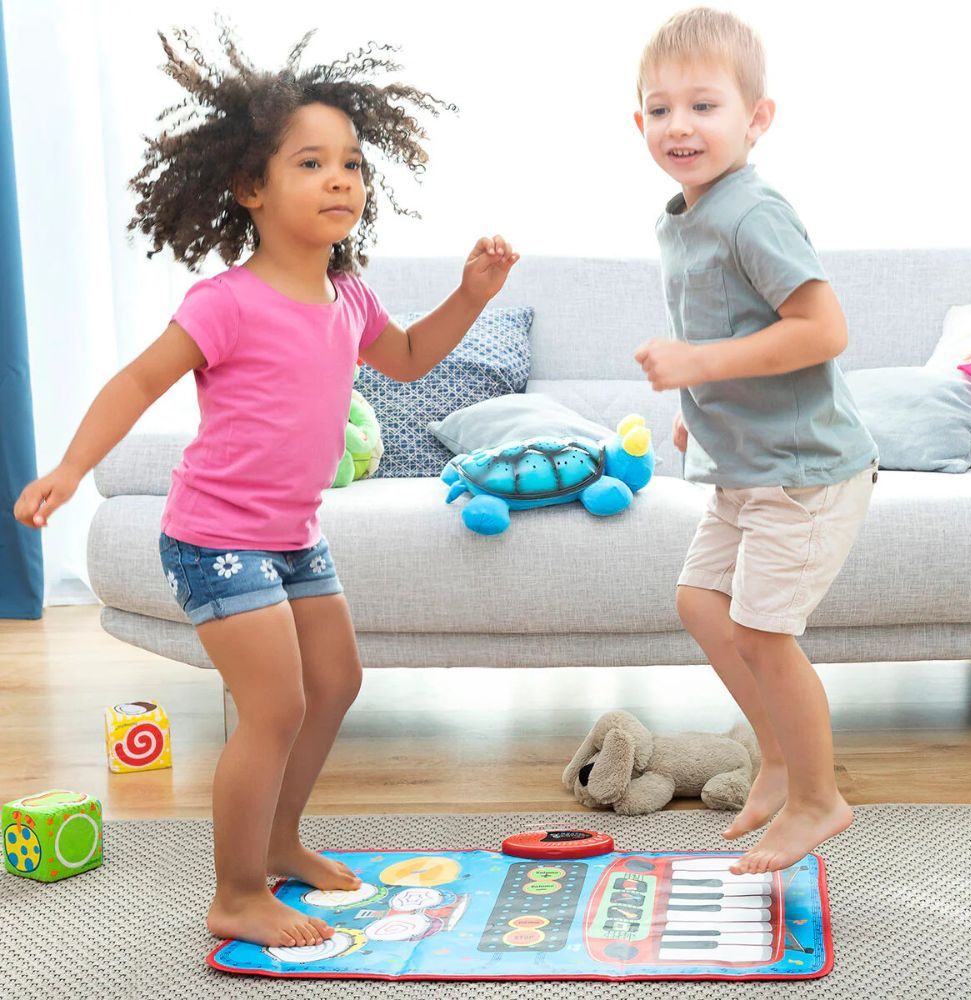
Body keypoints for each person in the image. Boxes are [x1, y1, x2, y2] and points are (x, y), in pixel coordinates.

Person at [13, 24, 518, 946]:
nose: (340, 179)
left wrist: (471, 297)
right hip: (213, 535)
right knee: (275, 704)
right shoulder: (226, 302)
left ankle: (280, 844)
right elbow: (134, 383)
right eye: (311, 163)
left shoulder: (350, 295)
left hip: (291, 532)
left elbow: (404, 361)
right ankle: (236, 891)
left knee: (336, 681)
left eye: (353, 164)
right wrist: (71, 467)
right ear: (250, 187)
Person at [632, 7, 879, 875]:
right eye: (660, 109)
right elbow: (730, 323)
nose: (680, 126)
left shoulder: (753, 211)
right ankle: (776, 759)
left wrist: (700, 359)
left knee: (766, 632)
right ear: (639, 125)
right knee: (701, 605)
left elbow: (823, 328)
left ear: (756, 118)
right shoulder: (683, 217)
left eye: (704, 106)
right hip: (745, 465)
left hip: (805, 473)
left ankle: (819, 797)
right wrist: (699, 394)